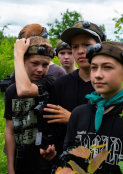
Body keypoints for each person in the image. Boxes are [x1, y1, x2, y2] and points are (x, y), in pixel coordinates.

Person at [63, 41, 123, 174]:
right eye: (94, 67)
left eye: (107, 67)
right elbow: (68, 159)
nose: (98, 74)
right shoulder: (79, 114)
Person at [43, 21, 107, 158]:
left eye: (87, 45)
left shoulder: (108, 86)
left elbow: (112, 125)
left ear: (100, 47)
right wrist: (50, 147)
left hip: (99, 160)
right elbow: (51, 124)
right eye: (75, 46)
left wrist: (72, 119)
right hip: (64, 160)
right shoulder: (60, 84)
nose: (80, 51)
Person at [4, 36, 56, 174]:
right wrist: (11, 172)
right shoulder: (11, 91)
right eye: (34, 63)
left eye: (45, 64)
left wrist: (18, 54)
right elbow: (10, 131)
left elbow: (25, 91)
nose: (40, 69)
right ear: (23, 62)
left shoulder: (51, 83)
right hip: (21, 165)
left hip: (45, 166)